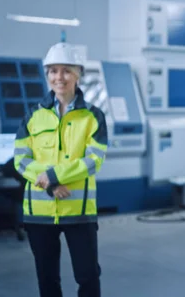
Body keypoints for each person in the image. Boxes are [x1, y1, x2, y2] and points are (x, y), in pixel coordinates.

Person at [14, 42, 108, 297]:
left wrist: (54, 175)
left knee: (88, 277)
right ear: (47, 76)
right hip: (39, 213)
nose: (59, 77)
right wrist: (49, 184)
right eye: (53, 71)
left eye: (66, 70)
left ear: (78, 74)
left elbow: (93, 160)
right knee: (47, 280)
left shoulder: (93, 117)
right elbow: (20, 159)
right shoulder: (33, 116)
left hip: (78, 212)